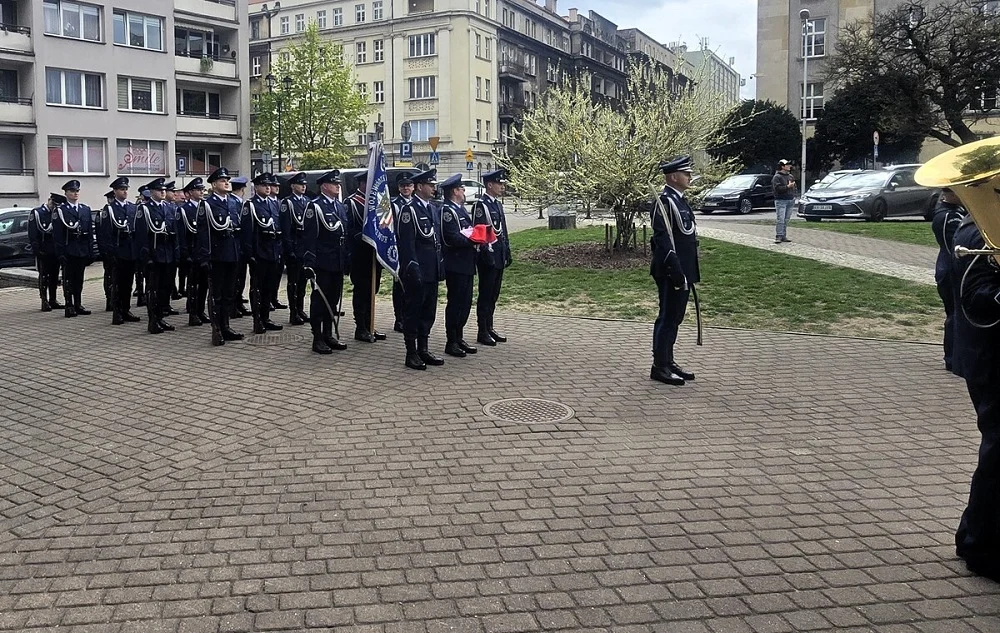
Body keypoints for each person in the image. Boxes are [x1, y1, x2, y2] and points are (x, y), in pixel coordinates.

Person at [951, 214, 1000, 583]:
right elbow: (978, 296)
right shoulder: (981, 229)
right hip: (993, 360)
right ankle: (981, 548)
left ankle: (974, 535)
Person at [649, 155, 701, 386]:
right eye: (686, 173)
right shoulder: (664, 202)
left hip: (685, 268)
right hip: (671, 269)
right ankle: (659, 366)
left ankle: (668, 361)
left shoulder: (679, 200)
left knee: (676, 318)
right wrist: (676, 270)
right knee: (667, 317)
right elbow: (663, 240)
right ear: (673, 176)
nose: (689, 177)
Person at [397, 168, 445, 370]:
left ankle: (424, 348)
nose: (434, 188)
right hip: (417, 269)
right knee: (413, 311)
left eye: (434, 185)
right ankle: (411, 352)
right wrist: (412, 267)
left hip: (432, 268)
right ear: (419, 187)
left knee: (429, 311)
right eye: (430, 185)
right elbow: (406, 243)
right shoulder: (409, 210)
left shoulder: (432, 208)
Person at [302, 170, 351, 354]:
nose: (338, 186)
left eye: (338, 184)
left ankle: (329, 334)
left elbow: (343, 235)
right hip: (322, 263)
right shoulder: (315, 207)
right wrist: (309, 263)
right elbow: (309, 238)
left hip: (336, 261)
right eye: (334, 183)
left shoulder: (339, 206)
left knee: (333, 300)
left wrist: (346, 259)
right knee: (319, 301)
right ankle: (317, 338)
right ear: (324, 186)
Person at [197, 168, 244, 346]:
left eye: (227, 180)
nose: (226, 182)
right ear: (214, 184)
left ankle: (226, 326)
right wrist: (205, 257)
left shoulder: (233, 203)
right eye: (222, 180)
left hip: (232, 253)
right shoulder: (207, 204)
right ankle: (216, 329)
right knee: (216, 294)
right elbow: (203, 233)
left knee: (228, 294)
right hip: (217, 255)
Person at [439, 173, 479, 358]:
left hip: (466, 262)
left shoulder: (461, 209)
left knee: (465, 302)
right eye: (462, 189)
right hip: (456, 263)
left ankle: (459, 336)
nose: (464, 192)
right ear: (455, 191)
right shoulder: (448, 211)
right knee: (456, 303)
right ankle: (451, 340)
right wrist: (474, 239)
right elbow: (451, 237)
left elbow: (467, 230)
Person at [133, 178, 179, 334]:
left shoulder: (169, 208)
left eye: (164, 190)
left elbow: (174, 233)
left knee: (166, 288)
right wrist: (147, 257)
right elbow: (141, 236)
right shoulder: (145, 209)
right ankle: (153, 320)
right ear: (152, 192)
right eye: (160, 190)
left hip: (168, 254)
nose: (163, 192)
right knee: (154, 289)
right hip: (154, 254)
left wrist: (176, 253)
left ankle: (161, 317)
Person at [473, 169, 512, 346]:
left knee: (494, 294)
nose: (502, 186)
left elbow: (502, 229)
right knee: (486, 294)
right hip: (488, 255)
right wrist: (484, 251)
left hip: (499, 253)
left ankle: (490, 326)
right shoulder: (481, 206)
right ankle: (482, 330)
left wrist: (507, 250)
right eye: (499, 183)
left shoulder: (497, 204)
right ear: (490, 185)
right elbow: (480, 232)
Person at [347, 171, 387, 343]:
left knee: (373, 290)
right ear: (362, 184)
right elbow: (348, 229)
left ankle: (369, 324)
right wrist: (364, 238)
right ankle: (360, 327)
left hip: (374, 255)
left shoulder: (378, 202)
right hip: (360, 256)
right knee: (362, 291)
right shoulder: (351, 203)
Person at [931, 188, 968, 374]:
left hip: (950, 268)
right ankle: (952, 359)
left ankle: (957, 356)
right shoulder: (947, 216)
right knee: (954, 314)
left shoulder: (957, 212)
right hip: (950, 270)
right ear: (949, 194)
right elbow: (953, 246)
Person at [243, 173, 284, 334]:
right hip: (260, 252)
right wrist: (250, 254)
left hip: (273, 250)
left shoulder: (273, 205)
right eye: (264, 185)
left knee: (269, 287)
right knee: (257, 288)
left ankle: (266, 317)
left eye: (269, 185)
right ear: (257, 187)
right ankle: (257, 319)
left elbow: (277, 227)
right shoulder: (251, 205)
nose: (268, 188)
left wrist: (279, 250)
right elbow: (248, 232)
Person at [98, 177, 140, 325]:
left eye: (126, 189)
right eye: (122, 189)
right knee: (117, 283)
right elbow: (105, 234)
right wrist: (110, 254)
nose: (125, 191)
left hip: (130, 251)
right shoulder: (109, 209)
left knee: (128, 283)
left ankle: (126, 309)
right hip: (118, 251)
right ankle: (117, 312)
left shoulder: (132, 208)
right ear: (115, 191)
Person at [52, 179, 94, 318]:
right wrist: (60, 253)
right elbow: (57, 235)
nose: (75, 193)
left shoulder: (85, 210)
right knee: (68, 279)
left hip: (81, 250)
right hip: (69, 250)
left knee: (79, 279)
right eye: (72, 191)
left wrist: (90, 251)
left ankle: (78, 303)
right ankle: (69, 305)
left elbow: (89, 233)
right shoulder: (61, 211)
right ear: (66, 193)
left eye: (77, 191)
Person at [279, 172, 311, 325]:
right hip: (295, 246)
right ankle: (293, 312)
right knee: (294, 281)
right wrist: (289, 249)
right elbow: (285, 229)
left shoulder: (307, 201)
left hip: (305, 247)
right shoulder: (287, 203)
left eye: (304, 184)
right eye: (300, 184)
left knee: (303, 281)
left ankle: (300, 308)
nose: (303, 187)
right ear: (293, 186)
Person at [179, 178, 211, 327]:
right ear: (190, 192)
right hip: (192, 253)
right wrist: (186, 255)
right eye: (198, 190)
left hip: (203, 253)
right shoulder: (184, 210)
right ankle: (193, 313)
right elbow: (182, 235)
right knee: (193, 285)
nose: (201, 192)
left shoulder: (204, 207)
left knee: (204, 285)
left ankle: (200, 311)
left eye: (202, 189)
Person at [28, 193, 65, 312]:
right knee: (44, 276)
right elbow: (33, 234)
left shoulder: (58, 214)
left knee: (54, 276)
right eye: (53, 204)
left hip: (55, 250)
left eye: (56, 205)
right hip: (43, 250)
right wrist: (37, 250)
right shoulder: (37, 213)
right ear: (49, 200)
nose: (54, 207)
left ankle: (53, 300)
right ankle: (44, 300)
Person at [391, 173, 415, 333]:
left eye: (408, 185)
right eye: (403, 186)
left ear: (413, 187)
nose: (406, 188)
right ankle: (399, 318)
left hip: (415, 250)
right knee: (399, 285)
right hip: (399, 250)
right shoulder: (393, 205)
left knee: (413, 285)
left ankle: (410, 316)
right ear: (399, 187)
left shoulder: (417, 203)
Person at [230, 176, 252, 318]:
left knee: (241, 277)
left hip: (241, 247)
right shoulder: (234, 203)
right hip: (236, 246)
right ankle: (234, 306)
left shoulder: (239, 203)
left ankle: (238, 303)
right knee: (235, 278)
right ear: (242, 189)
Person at [267, 177, 288, 311]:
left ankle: (274, 298)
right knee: (268, 276)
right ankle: (267, 299)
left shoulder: (280, 203)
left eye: (277, 186)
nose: (276, 188)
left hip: (280, 244)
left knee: (277, 274)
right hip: (269, 245)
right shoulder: (267, 202)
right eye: (274, 186)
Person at [772, 159, 796, 244]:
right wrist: (788, 186)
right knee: (781, 219)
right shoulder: (777, 177)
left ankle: (783, 236)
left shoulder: (790, 176)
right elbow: (778, 189)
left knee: (786, 219)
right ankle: (778, 236)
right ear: (782, 166)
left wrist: (793, 194)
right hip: (781, 200)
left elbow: (794, 187)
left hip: (790, 200)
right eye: (787, 165)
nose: (789, 166)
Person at [133, 186, 150, 307]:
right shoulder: (139, 208)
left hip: (148, 247)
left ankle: (145, 295)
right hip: (140, 247)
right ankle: (140, 292)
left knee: (147, 274)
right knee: (139, 273)